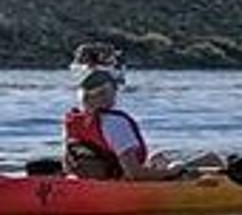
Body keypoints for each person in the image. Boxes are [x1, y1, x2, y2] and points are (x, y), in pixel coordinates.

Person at [60, 49, 222, 181]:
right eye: (114, 88)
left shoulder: (74, 121)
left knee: (159, 157)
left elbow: (68, 165)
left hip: (96, 180)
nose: (116, 92)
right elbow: (134, 174)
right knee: (212, 159)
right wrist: (171, 172)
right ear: (106, 92)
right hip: (123, 184)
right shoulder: (115, 123)